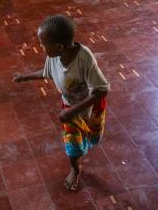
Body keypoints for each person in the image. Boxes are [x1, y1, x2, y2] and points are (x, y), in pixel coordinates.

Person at [13, 15, 109, 192]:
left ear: (59, 47)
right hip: (70, 108)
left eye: (43, 44)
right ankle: (75, 168)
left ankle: (83, 147)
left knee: (92, 137)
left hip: (91, 108)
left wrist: (73, 111)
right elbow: (47, 72)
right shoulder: (54, 56)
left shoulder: (85, 59)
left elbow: (102, 90)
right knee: (72, 145)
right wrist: (24, 77)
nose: (41, 47)